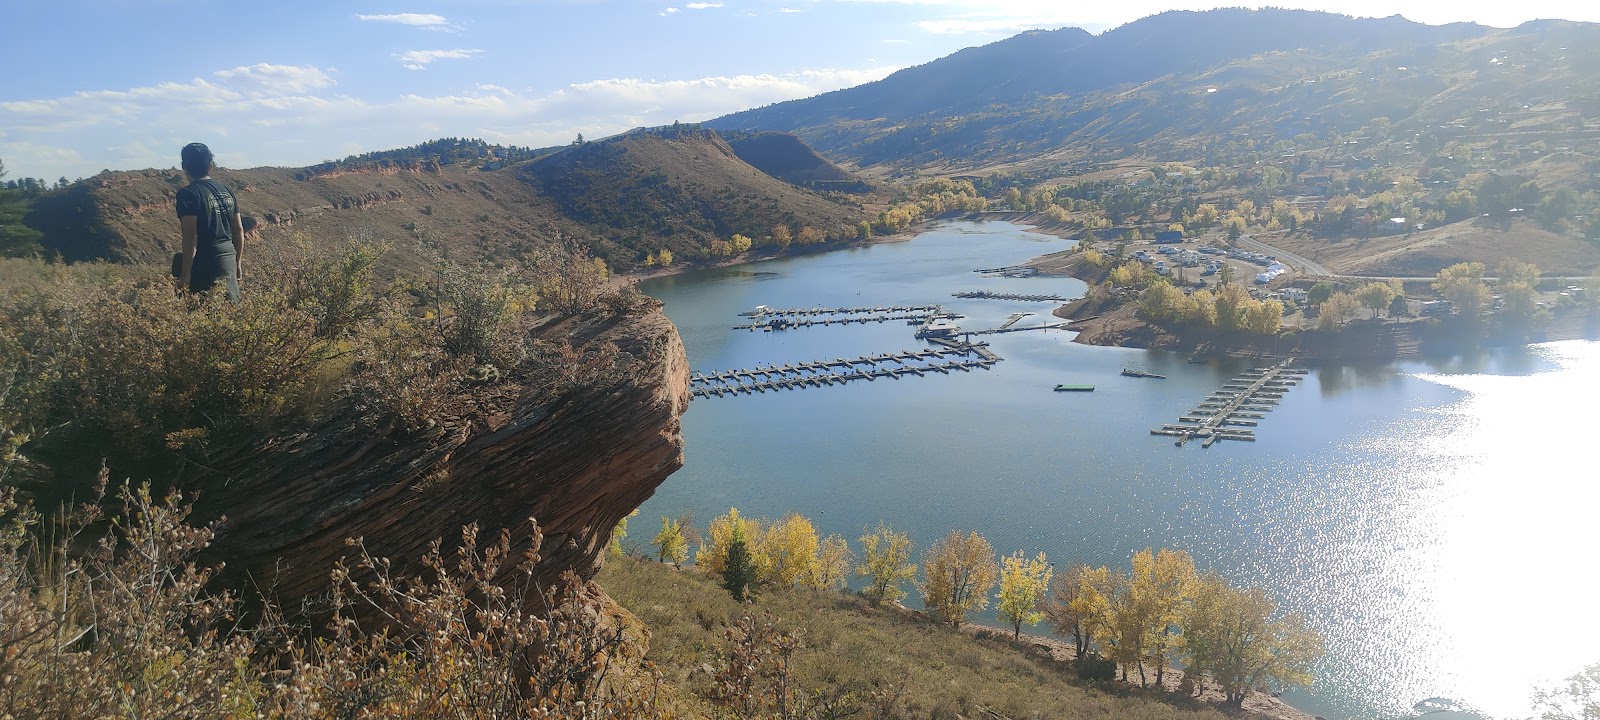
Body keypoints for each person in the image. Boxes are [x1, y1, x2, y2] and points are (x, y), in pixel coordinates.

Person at [174, 142, 243, 302]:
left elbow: (190, 237)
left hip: (206, 261)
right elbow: (238, 230)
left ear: (184, 166)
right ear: (211, 165)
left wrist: (185, 274)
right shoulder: (226, 190)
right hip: (228, 256)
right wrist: (237, 263)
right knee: (231, 309)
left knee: (204, 311)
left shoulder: (188, 194)